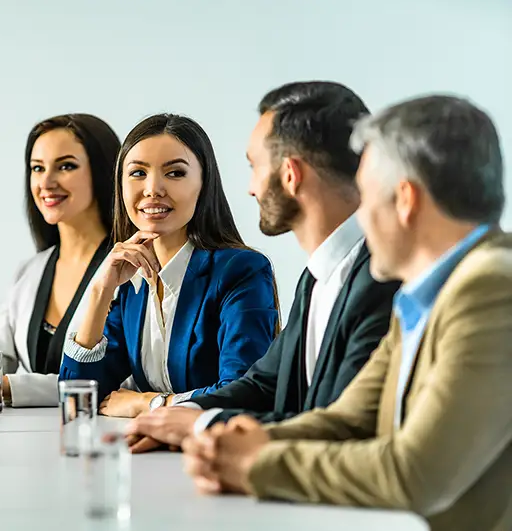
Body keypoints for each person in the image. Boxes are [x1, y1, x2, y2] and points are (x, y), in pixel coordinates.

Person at [182, 95, 512, 531]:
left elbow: (416, 473)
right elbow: (350, 417)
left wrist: (257, 463)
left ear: (405, 200)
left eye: (367, 197)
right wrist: (227, 444)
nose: (361, 217)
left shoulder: (490, 287)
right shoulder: (424, 294)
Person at [127, 82, 399, 451]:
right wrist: (173, 417)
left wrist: (199, 423)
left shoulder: (382, 279)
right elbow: (263, 384)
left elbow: (338, 426)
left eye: (255, 166)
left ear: (290, 174)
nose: (251, 188)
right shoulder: (319, 276)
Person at [59, 114, 280, 418]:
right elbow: (76, 400)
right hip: (148, 454)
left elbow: (243, 394)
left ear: (204, 184)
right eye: (137, 173)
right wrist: (100, 290)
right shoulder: (131, 282)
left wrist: (150, 403)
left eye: (175, 173)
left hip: (211, 454)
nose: (153, 189)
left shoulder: (240, 271)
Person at [0, 114, 120, 412]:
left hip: (99, 439)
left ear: (103, 172)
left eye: (66, 166)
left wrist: (3, 385)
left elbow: (115, 383)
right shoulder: (30, 270)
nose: (46, 182)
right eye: (37, 168)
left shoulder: (127, 267)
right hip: (28, 441)